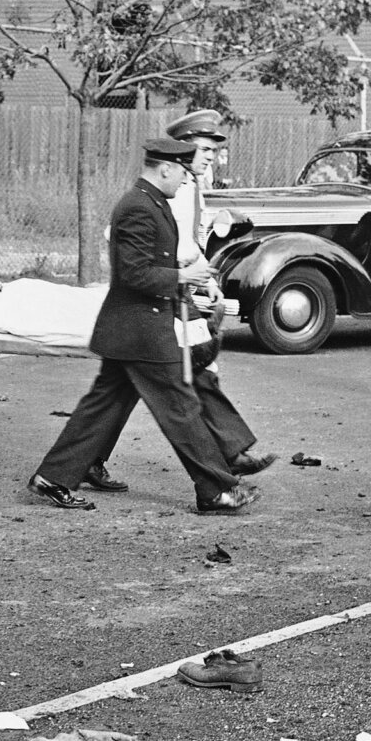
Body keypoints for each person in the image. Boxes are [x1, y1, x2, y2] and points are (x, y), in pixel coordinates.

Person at [27, 138, 256, 515]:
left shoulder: (152, 203)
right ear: (165, 167)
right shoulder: (138, 207)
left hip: (131, 330)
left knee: (101, 407)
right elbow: (133, 274)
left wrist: (184, 278)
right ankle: (216, 491)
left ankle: (53, 477)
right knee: (180, 408)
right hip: (140, 331)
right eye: (183, 172)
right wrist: (184, 277)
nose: (185, 180)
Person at [79, 111, 275, 491]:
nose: (207, 159)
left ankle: (226, 454)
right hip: (161, 294)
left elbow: (190, 246)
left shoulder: (191, 187)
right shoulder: (172, 189)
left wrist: (205, 277)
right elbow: (153, 248)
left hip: (175, 289)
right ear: (178, 157)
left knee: (145, 383)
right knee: (183, 381)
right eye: (202, 150)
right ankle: (222, 467)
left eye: (213, 151)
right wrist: (184, 276)